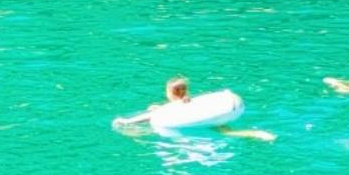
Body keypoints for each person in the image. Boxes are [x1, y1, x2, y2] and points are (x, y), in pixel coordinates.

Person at [114, 76, 275, 140]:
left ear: (170, 93)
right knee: (222, 127)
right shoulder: (188, 100)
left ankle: (254, 133)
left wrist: (127, 121)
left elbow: (151, 116)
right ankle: (258, 133)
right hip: (234, 103)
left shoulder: (172, 108)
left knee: (226, 132)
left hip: (222, 113)